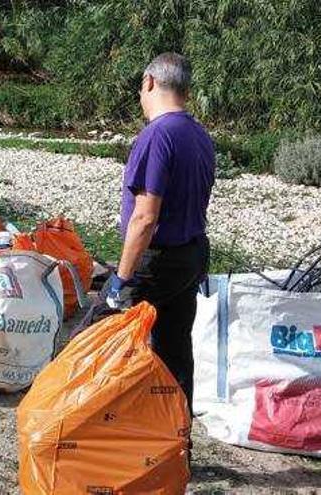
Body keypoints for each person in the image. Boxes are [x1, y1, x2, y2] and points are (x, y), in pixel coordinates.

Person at [104, 52, 215, 418]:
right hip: (191, 255)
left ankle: (94, 438)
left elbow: (145, 218)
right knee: (175, 352)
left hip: (157, 261)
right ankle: (177, 443)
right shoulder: (199, 135)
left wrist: (121, 278)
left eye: (140, 87)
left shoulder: (157, 135)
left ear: (149, 82)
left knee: (103, 341)